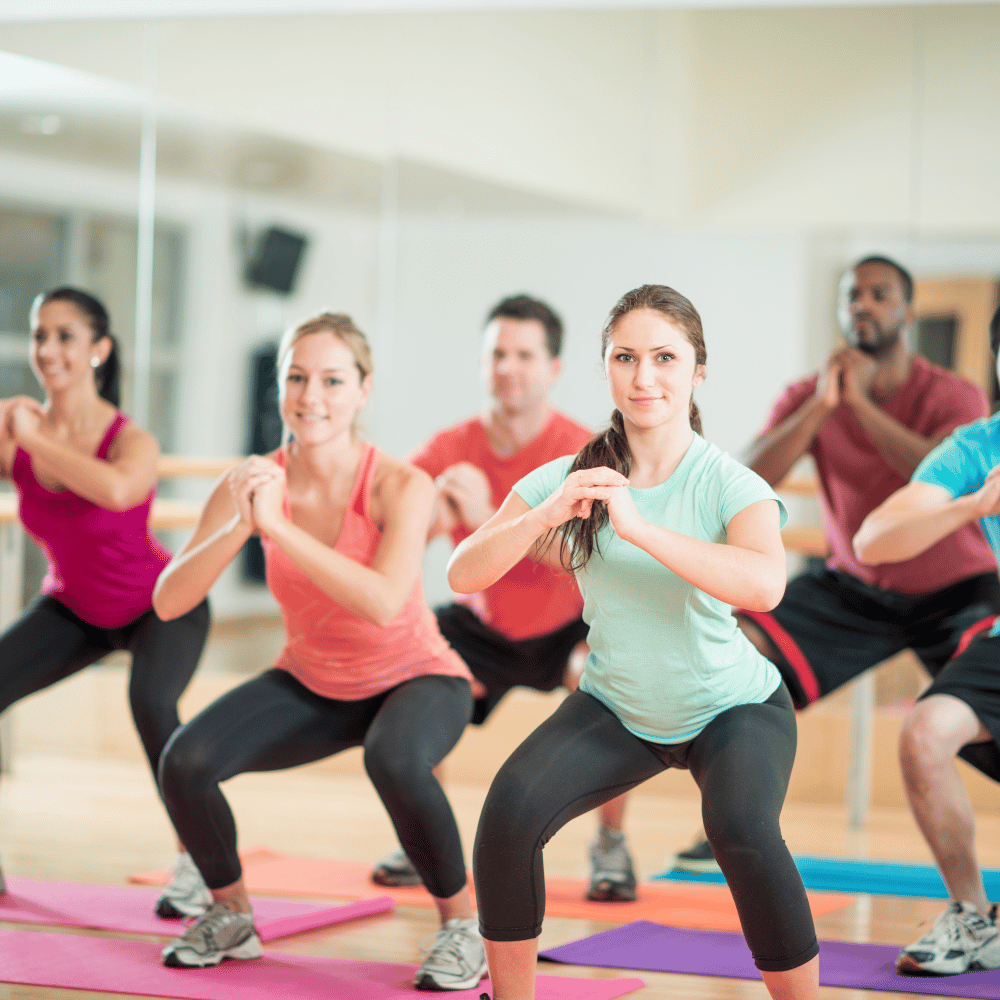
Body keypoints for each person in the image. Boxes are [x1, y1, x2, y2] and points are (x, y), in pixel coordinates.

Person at [451, 284, 819, 1000]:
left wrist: (642, 528)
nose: (644, 377)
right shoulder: (575, 473)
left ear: (696, 372)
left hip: (733, 707)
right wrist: (545, 514)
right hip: (619, 706)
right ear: (606, 368)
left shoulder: (727, 484)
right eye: (626, 358)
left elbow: (765, 585)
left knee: (739, 828)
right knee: (508, 816)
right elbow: (463, 569)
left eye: (664, 358)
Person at [153, 312, 486, 990]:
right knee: (184, 761)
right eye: (297, 378)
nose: (312, 397)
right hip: (312, 681)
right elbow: (167, 601)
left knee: (392, 756)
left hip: (417, 679)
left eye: (333, 380)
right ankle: (232, 915)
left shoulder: (400, 483)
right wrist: (240, 526)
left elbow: (383, 601)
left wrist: (278, 528)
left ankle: (464, 928)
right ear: (279, 388)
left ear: (363, 390)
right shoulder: (252, 481)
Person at [673, 255, 1000, 875]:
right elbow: (747, 478)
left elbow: (939, 475)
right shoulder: (809, 395)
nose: (864, 306)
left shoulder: (952, 395)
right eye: (854, 295)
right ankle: (730, 820)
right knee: (741, 655)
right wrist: (825, 407)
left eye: (880, 295)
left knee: (975, 712)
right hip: (857, 586)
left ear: (906, 310)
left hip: (956, 587)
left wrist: (863, 409)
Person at [371, 295, 636, 903]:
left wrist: (490, 514)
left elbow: (580, 551)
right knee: (416, 677)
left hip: (571, 623)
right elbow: (399, 528)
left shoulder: (584, 450)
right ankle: (424, 841)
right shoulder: (453, 445)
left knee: (606, 681)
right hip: (484, 625)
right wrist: (429, 513)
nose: (508, 367)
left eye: (524, 354)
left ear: (554, 367)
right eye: (497, 354)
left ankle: (611, 846)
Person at [0, 287, 211, 916]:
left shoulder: (131, 440)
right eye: (40, 335)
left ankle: (198, 865)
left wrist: (32, 438)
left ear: (100, 350)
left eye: (66, 336)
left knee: (151, 703)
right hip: (74, 608)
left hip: (159, 603)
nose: (49, 349)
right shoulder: (15, 436)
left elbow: (119, 492)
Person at [852, 303, 1000, 976]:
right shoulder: (978, 449)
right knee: (925, 732)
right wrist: (972, 505)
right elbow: (873, 538)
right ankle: (973, 917)